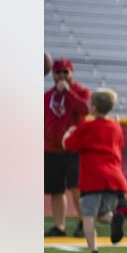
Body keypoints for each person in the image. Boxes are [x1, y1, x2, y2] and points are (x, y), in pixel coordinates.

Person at [61, 89, 127, 253]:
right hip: (114, 177)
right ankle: (114, 220)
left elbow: (69, 145)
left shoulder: (88, 127)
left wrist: (68, 133)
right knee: (102, 214)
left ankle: (94, 252)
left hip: (93, 176)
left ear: (95, 107)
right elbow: (120, 144)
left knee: (88, 216)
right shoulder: (115, 126)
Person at [45, 58, 91, 237]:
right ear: (53, 74)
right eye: (58, 72)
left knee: (76, 187)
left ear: (72, 73)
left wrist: (69, 92)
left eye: (66, 72)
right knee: (56, 190)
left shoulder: (82, 92)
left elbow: (85, 109)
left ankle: (83, 222)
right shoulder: (47, 96)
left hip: (74, 148)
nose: (62, 76)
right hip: (51, 149)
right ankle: (59, 225)